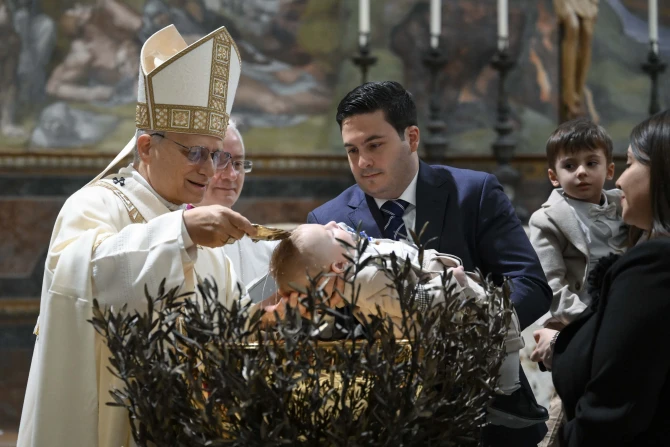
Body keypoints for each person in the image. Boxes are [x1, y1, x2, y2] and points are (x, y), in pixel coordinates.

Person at [17, 24, 256, 447]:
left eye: (215, 154)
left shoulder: (201, 235)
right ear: (146, 147)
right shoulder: (95, 205)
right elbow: (80, 284)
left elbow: (232, 327)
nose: (208, 169)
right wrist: (180, 232)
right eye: (194, 152)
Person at [307, 81, 552, 446]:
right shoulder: (327, 223)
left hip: (484, 407)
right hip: (380, 417)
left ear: (412, 137)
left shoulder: (474, 193)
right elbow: (325, 320)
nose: (362, 162)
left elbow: (530, 283)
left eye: (374, 145)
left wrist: (471, 319)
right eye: (352, 150)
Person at [270, 221, 543, 428]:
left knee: (497, 332)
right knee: (501, 327)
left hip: (431, 323)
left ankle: (503, 395)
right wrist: (450, 284)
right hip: (445, 308)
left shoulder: (351, 262)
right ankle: (507, 395)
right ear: (339, 266)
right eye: (330, 234)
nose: (334, 224)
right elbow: (415, 301)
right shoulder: (366, 277)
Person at [550, 110, 670, 445]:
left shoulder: (655, 265)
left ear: (663, 171)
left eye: (630, 164)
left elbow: (613, 407)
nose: (619, 182)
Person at [527, 118, 628, 446]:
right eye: (570, 166)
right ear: (554, 176)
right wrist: (588, 324)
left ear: (609, 170)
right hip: (578, 321)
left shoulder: (623, 205)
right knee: (568, 405)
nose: (581, 172)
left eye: (591, 163)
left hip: (623, 318)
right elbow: (551, 284)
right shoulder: (547, 220)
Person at [194, 120, 278, 287]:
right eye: (220, 162)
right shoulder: (172, 237)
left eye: (238, 164)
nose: (231, 175)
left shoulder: (265, 248)